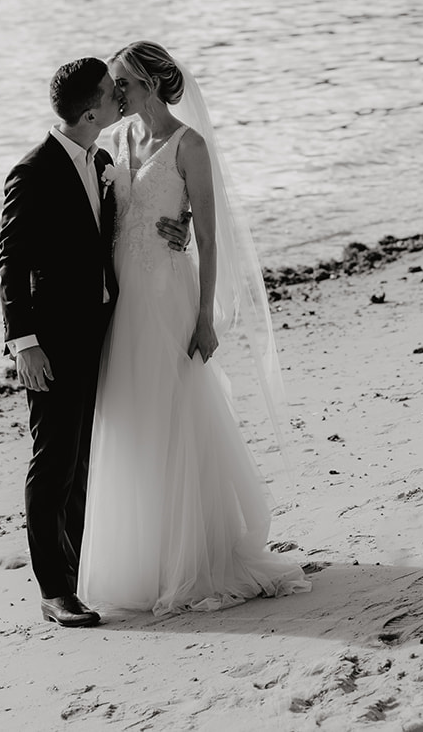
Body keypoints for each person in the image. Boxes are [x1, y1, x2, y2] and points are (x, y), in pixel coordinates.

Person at [79, 42, 310, 615]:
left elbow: (208, 239)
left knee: (177, 415)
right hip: (124, 304)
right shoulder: (116, 141)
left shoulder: (190, 147)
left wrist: (205, 317)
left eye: (122, 84)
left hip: (169, 299)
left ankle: (193, 556)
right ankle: (144, 558)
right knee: (133, 419)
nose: (114, 93)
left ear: (151, 85)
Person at [0, 59, 188, 627]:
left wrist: (182, 222)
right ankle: (54, 590)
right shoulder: (32, 172)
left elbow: (132, 223)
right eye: (111, 92)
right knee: (54, 461)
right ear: (89, 113)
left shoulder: (103, 161)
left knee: (87, 458)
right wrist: (24, 343)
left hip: (104, 330)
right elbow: (10, 263)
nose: (120, 98)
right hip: (52, 342)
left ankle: (83, 571)